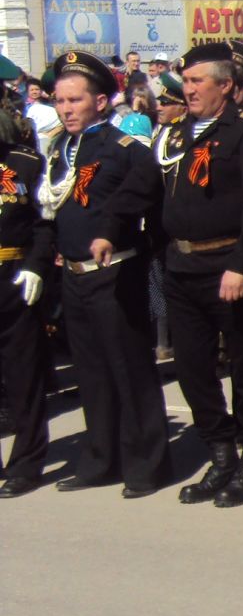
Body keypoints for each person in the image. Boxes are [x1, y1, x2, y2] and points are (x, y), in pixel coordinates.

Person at [40, 50, 173, 497]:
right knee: (92, 373)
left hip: (114, 273)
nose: (65, 109)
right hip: (75, 275)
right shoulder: (61, 147)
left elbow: (142, 188)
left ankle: (145, 465)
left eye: (74, 100)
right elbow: (56, 204)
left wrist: (109, 230)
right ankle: (100, 459)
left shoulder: (124, 148)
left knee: (129, 369)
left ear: (99, 102)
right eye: (60, 101)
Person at [159, 43, 243, 507]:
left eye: (197, 82)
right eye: (185, 82)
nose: (187, 90)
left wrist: (241, 263)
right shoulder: (176, 134)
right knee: (192, 368)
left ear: (226, 86)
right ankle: (221, 452)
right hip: (181, 266)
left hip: (229, 265)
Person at [0, 86, 54, 497]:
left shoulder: (26, 164)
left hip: (13, 279)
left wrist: (36, 266)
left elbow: (43, 221)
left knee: (23, 375)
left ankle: (26, 461)